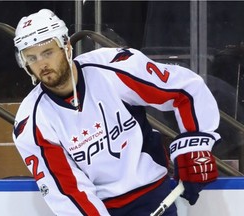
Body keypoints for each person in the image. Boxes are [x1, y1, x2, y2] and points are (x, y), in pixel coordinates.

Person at [12, 9, 221, 216]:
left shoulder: (114, 68)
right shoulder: (32, 122)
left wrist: (194, 145)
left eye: (48, 52)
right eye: (32, 58)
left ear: (66, 46)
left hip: (155, 194)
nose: (42, 64)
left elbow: (184, 90)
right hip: (104, 208)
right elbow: (68, 191)